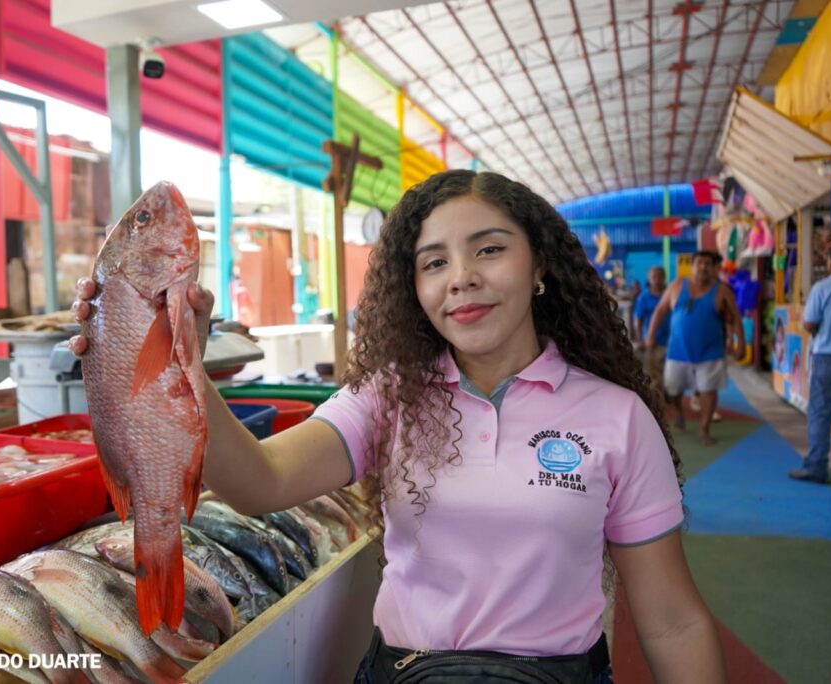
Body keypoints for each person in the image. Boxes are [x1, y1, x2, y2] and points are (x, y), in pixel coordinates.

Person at [70, 170, 725, 683]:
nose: (462, 278)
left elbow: (672, 621)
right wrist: (178, 356)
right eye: (434, 263)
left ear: (540, 265)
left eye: (490, 250)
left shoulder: (617, 416)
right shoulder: (386, 397)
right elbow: (259, 482)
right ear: (413, 287)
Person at [647, 251, 744, 445]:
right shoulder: (677, 285)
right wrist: (650, 335)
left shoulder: (722, 290)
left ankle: (704, 429)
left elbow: (735, 317)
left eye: (708, 263)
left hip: (710, 352)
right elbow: (660, 309)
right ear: (692, 266)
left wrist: (739, 342)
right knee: (673, 390)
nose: (703, 267)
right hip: (677, 351)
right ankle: (679, 412)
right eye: (699, 262)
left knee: (708, 390)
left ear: (714, 268)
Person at [790, 243, 831, 483]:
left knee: (821, 414)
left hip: (828, 358)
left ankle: (816, 467)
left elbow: (809, 323)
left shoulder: (823, 287)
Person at [633, 266, 670, 397]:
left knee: (669, 376)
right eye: (654, 276)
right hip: (653, 342)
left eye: (659, 276)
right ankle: (657, 401)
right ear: (649, 279)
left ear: (664, 277)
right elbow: (638, 320)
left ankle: (668, 397)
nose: (657, 279)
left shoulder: (670, 293)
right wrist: (640, 339)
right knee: (653, 376)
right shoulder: (644, 297)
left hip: (672, 342)